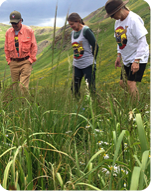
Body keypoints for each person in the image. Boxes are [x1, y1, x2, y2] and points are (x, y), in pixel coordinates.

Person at [104, 0, 149, 100]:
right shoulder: (117, 22)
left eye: (112, 14)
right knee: (122, 83)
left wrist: (137, 60)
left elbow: (142, 41)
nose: (111, 17)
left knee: (130, 84)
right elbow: (119, 39)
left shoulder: (133, 19)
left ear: (119, 9)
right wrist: (118, 55)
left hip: (138, 56)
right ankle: (134, 101)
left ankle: (136, 110)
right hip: (127, 58)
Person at [4, 10, 37, 95]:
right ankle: (17, 106)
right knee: (15, 87)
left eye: (16, 23)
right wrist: (9, 61)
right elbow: (6, 47)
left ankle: (25, 106)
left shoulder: (29, 30)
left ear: (21, 20)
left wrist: (31, 60)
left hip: (25, 62)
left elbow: (34, 46)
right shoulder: (8, 32)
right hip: (13, 62)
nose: (14, 25)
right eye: (12, 23)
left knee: (23, 87)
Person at [67, 13, 99, 97]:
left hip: (88, 64)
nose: (71, 26)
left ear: (77, 21)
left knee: (90, 88)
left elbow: (95, 46)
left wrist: (93, 60)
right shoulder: (72, 34)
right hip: (76, 65)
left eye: (72, 24)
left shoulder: (86, 30)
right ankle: (78, 107)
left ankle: (95, 105)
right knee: (74, 88)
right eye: (69, 25)